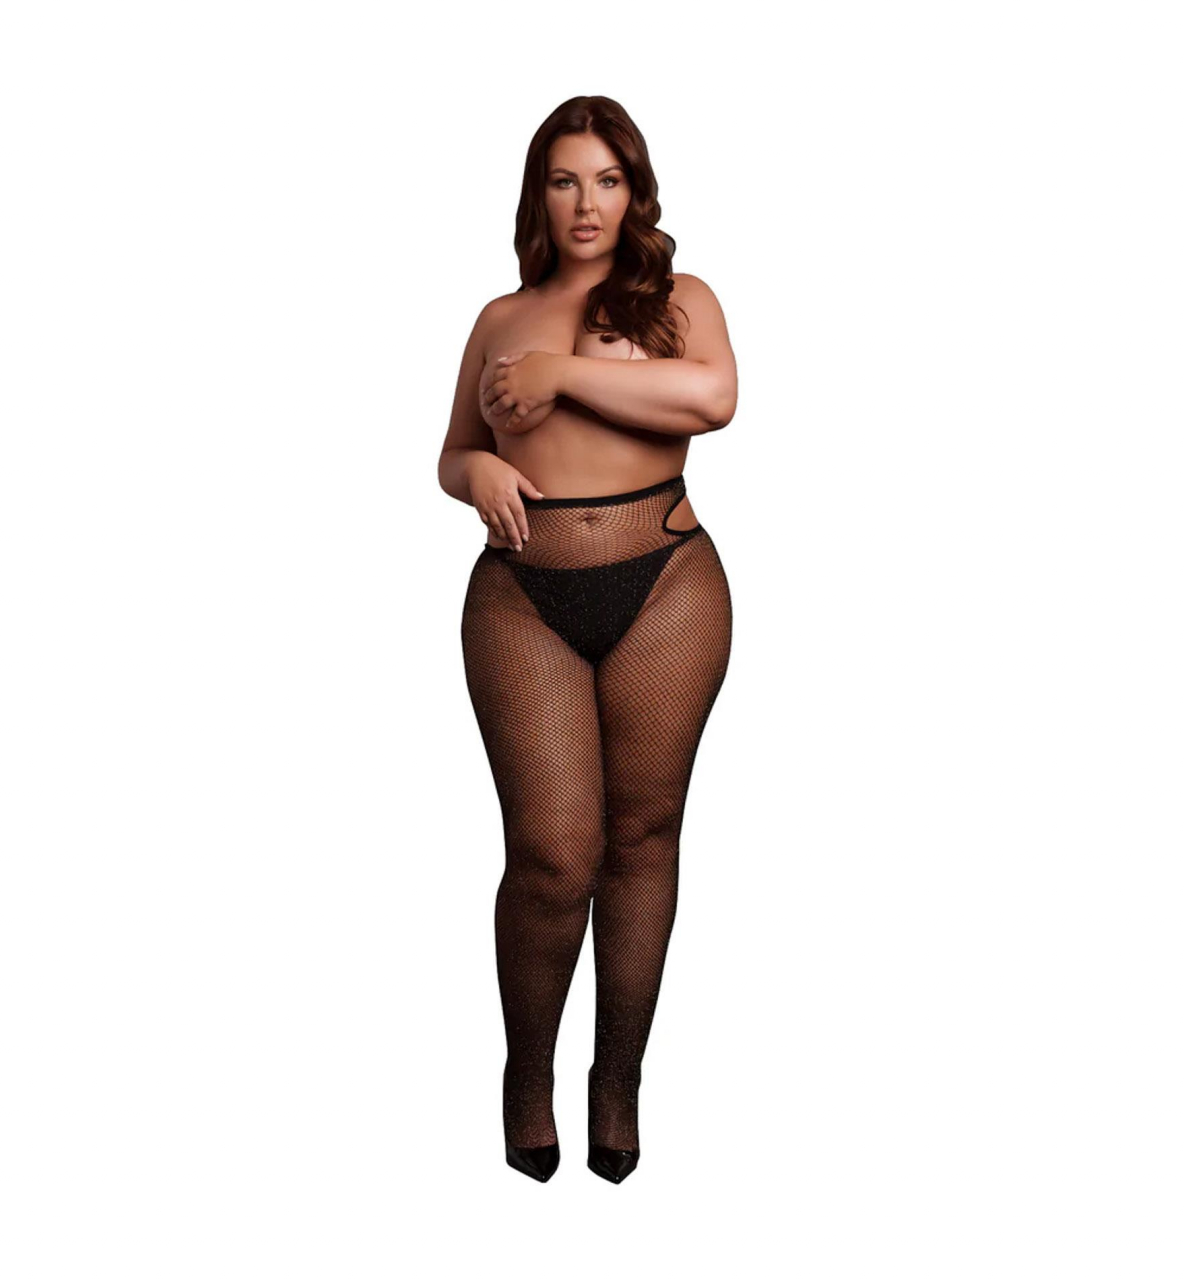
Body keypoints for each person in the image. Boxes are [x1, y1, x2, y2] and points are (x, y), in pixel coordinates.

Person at [438, 96, 735, 1184]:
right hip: (522, 598)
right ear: (538, 194)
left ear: (634, 191)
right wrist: (475, 469)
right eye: (564, 180)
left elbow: (713, 397)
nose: (586, 203)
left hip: (667, 585)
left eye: (607, 180)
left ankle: (619, 1078)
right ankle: (527, 1072)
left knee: (643, 835)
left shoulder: (679, 299)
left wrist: (561, 374)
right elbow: (450, 452)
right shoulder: (499, 316)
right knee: (554, 854)